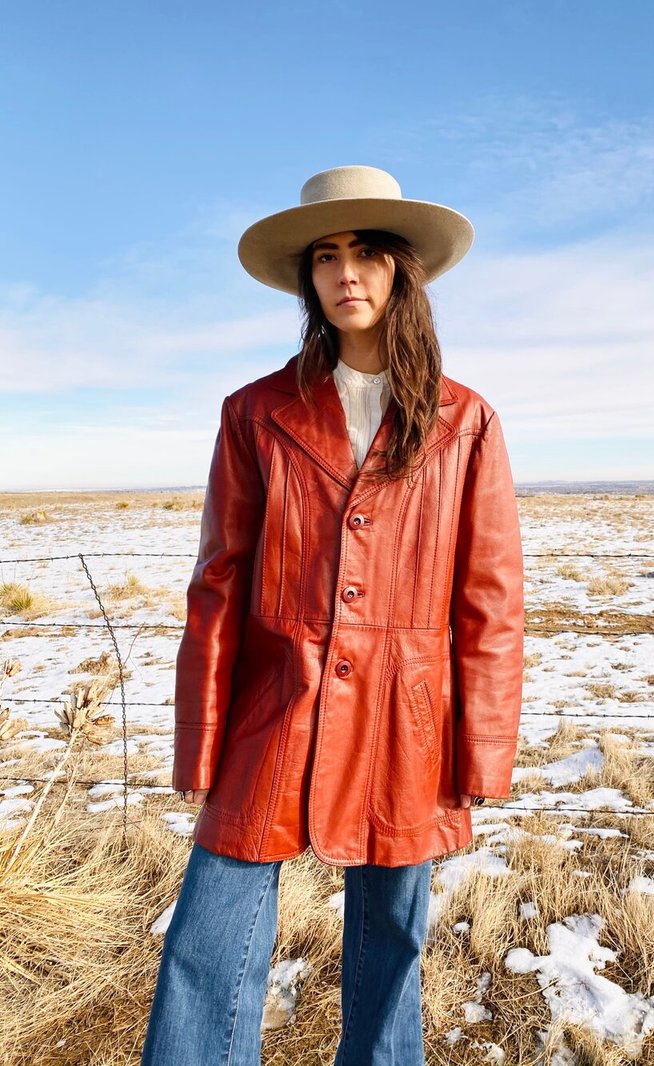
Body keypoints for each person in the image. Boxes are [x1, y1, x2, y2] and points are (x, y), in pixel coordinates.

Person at [140, 165, 524, 1066]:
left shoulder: (465, 421)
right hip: (272, 709)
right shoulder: (256, 413)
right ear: (308, 280)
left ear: (401, 272)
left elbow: (490, 600)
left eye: (365, 253)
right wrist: (198, 740)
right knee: (206, 939)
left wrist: (482, 752)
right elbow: (219, 585)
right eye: (326, 256)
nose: (345, 273)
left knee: (392, 943)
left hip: (408, 718)